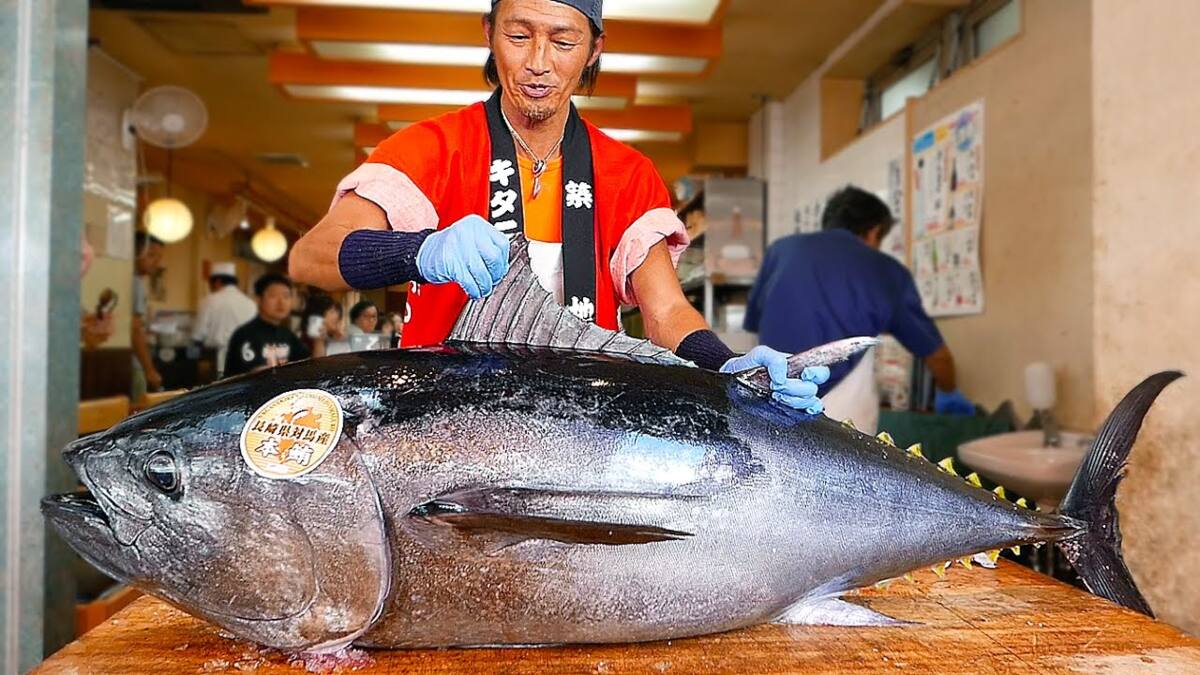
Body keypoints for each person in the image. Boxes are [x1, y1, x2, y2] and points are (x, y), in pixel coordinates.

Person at [289, 0, 827, 413]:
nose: (537, 64)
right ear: (488, 33)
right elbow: (310, 258)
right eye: (518, 35)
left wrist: (729, 365)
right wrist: (420, 251)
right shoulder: (430, 150)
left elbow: (663, 311)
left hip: (583, 430)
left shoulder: (628, 173)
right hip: (440, 427)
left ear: (594, 49)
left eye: (563, 41)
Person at [744, 186, 974, 433]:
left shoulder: (781, 250)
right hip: (839, 411)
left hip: (767, 403)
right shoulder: (885, 270)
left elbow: (755, 324)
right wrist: (949, 391)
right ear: (874, 231)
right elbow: (936, 355)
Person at [223, 273, 310, 377]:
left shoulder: (288, 335)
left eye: (286, 296)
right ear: (258, 300)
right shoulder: (244, 335)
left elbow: (308, 366)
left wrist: (318, 340)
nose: (281, 302)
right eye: (273, 296)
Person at [193, 262, 257, 377]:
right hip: (246, 360)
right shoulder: (250, 303)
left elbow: (198, 334)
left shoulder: (209, 301)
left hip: (218, 362)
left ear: (217, 281)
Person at [132, 231, 165, 398]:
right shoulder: (135, 283)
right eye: (151, 255)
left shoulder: (131, 279)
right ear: (135, 252)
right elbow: (135, 329)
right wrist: (150, 370)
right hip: (133, 366)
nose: (156, 262)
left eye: (159, 257)